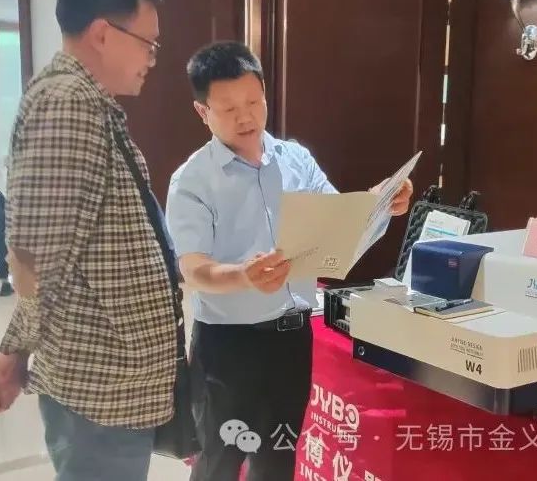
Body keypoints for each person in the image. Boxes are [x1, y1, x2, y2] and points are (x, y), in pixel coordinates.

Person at [166, 41, 413, 481]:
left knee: (279, 460)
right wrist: (242, 276)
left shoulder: (296, 160)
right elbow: (194, 269)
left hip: (291, 341)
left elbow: (338, 222)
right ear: (202, 112)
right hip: (227, 346)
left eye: (253, 102)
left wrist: (380, 203)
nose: (246, 117)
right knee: (219, 462)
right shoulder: (192, 180)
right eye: (228, 108)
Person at [0, 0, 177, 480]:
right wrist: (15, 348)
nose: (152, 58)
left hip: (113, 381)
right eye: (148, 44)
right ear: (103, 34)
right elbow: (35, 256)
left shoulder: (88, 103)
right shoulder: (67, 104)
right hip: (98, 384)